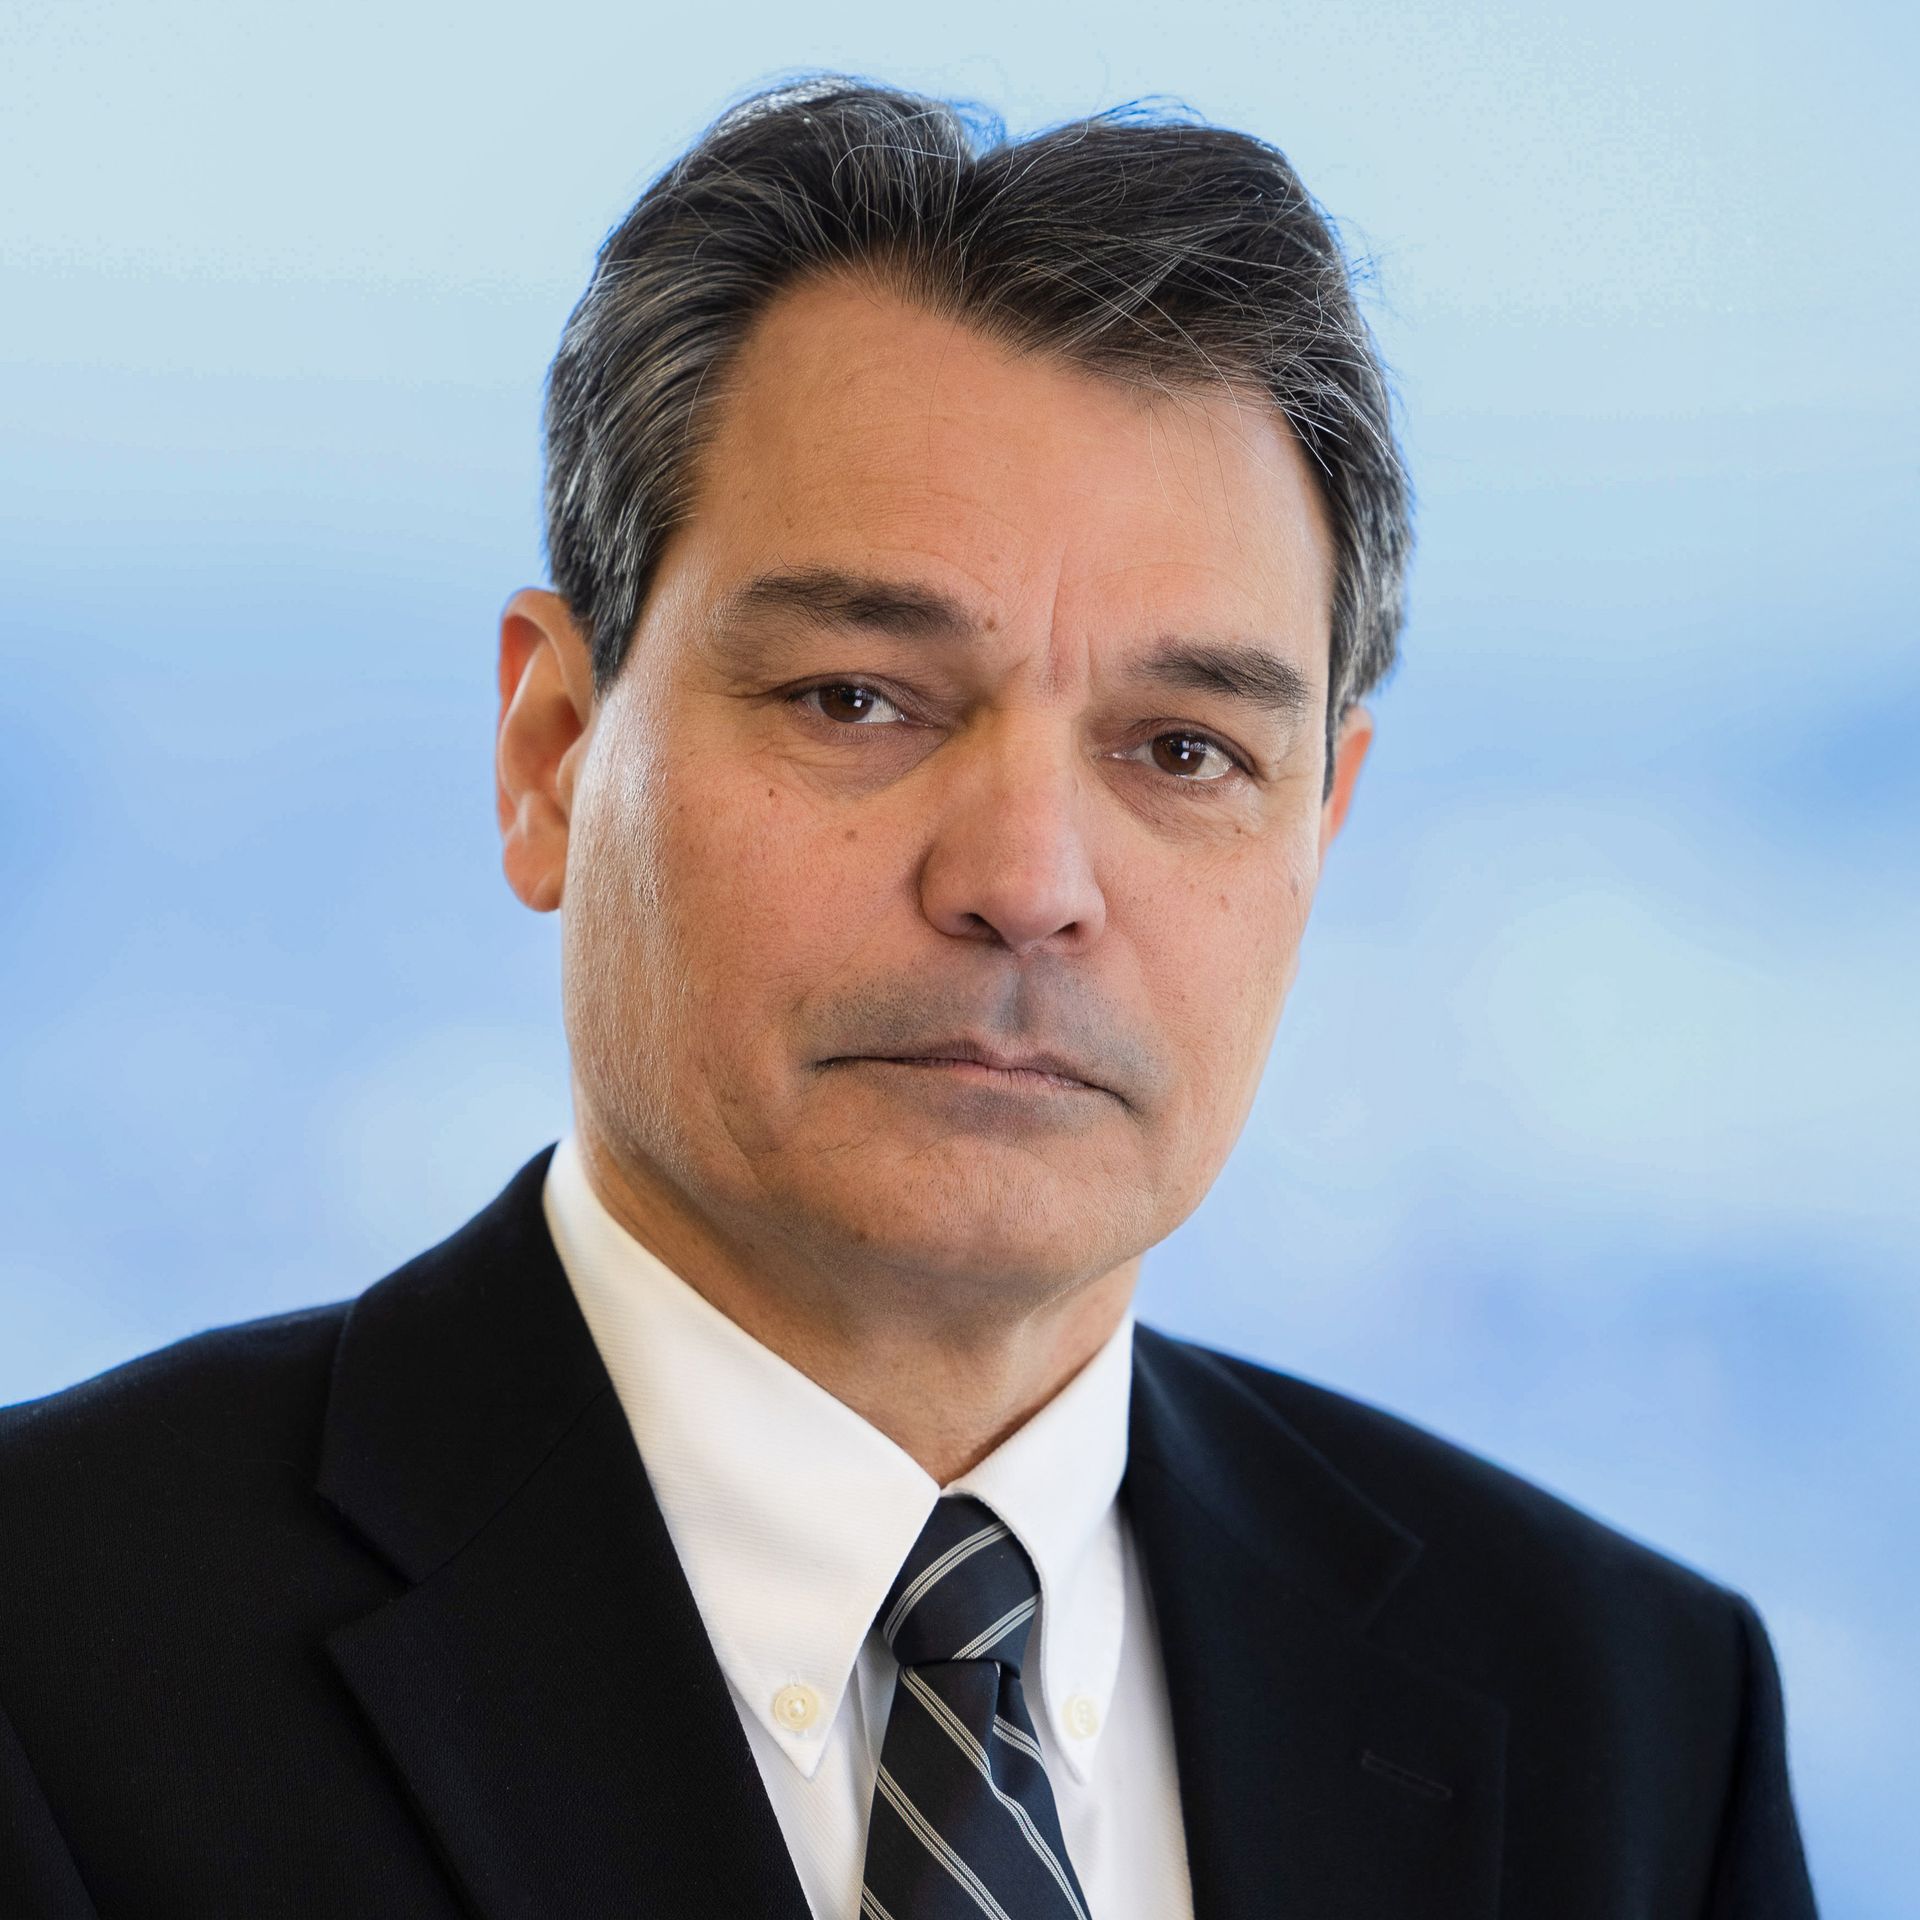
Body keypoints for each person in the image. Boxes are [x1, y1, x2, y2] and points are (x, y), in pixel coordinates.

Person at [0, 75, 1817, 1920]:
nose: (1026, 882)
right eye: (856, 699)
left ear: (1320, 830)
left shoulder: (1640, 1732)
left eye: (1184, 749)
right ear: (551, 753)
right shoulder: (53, 1661)